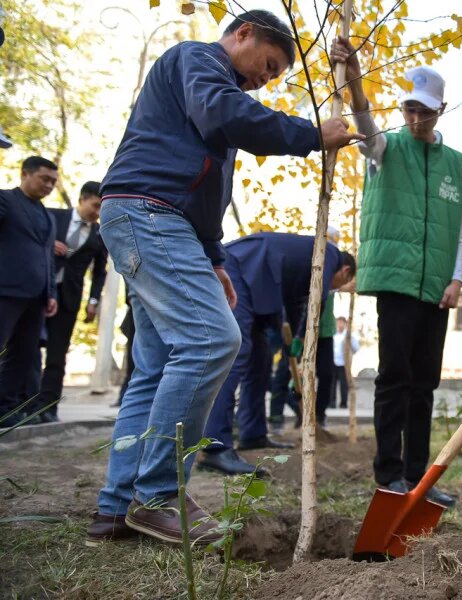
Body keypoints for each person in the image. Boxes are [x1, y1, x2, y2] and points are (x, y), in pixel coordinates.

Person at [88, 9, 363, 546]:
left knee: (155, 365)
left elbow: (206, 191)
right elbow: (223, 115)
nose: (269, 77)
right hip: (149, 213)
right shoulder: (199, 62)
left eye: (278, 73)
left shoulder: (215, 94)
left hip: (163, 221)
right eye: (269, 63)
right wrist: (311, 134)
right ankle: (159, 494)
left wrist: (213, 258)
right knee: (212, 339)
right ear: (242, 34)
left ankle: (118, 508)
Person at [331, 38, 462, 508]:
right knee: (394, 379)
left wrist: (457, 280)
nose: (414, 118)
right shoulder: (385, 149)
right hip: (396, 283)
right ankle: (388, 476)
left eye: (424, 111)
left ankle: (417, 478)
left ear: (441, 109)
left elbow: (460, 229)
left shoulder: (453, 164)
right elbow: (366, 125)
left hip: (436, 289)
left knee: (425, 384)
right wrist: (355, 78)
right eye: (409, 109)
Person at [198, 233, 355, 476]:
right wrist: (305, 336)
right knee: (236, 353)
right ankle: (215, 447)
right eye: (340, 284)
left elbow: (296, 305)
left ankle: (253, 433)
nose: (335, 288)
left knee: (259, 360)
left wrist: (294, 340)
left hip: (259, 281)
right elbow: (318, 299)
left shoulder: (305, 269)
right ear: (345, 271)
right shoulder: (329, 253)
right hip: (241, 267)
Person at [35, 181, 107, 422]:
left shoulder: (100, 234)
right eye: (95, 206)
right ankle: (18, 400)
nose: (97, 213)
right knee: (25, 348)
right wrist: (47, 246)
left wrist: (93, 301)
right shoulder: (51, 217)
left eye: (101, 209)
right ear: (82, 198)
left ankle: (47, 407)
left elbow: (100, 273)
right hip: (36, 292)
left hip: (69, 297)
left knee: (57, 353)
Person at [0, 156, 59, 427]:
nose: (49, 185)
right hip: (6, 290)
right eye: (44, 179)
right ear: (25, 173)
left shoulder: (48, 215)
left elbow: (48, 257)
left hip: (36, 297)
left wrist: (51, 294)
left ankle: (5, 408)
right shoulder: (6, 201)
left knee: (23, 354)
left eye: (53, 182)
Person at [330, 316, 359, 409]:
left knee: (344, 384)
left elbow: (356, 348)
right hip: (333, 362)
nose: (340, 324)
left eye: (342, 322)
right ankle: (332, 402)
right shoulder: (333, 334)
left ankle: (343, 403)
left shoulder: (349, 335)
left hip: (344, 363)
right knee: (332, 384)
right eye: (338, 322)